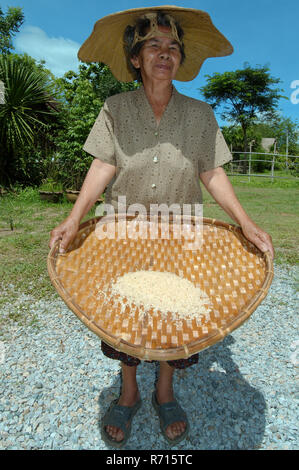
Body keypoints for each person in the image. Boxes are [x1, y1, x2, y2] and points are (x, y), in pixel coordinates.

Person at [49, 7, 274, 448]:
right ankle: (129, 390)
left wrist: (245, 223)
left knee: (176, 316)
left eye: (173, 48)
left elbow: (212, 172)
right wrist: (75, 216)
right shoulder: (115, 109)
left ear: (180, 59)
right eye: (153, 45)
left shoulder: (201, 114)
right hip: (123, 229)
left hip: (181, 231)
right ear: (136, 58)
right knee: (125, 314)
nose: (164, 54)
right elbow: (103, 164)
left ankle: (165, 390)